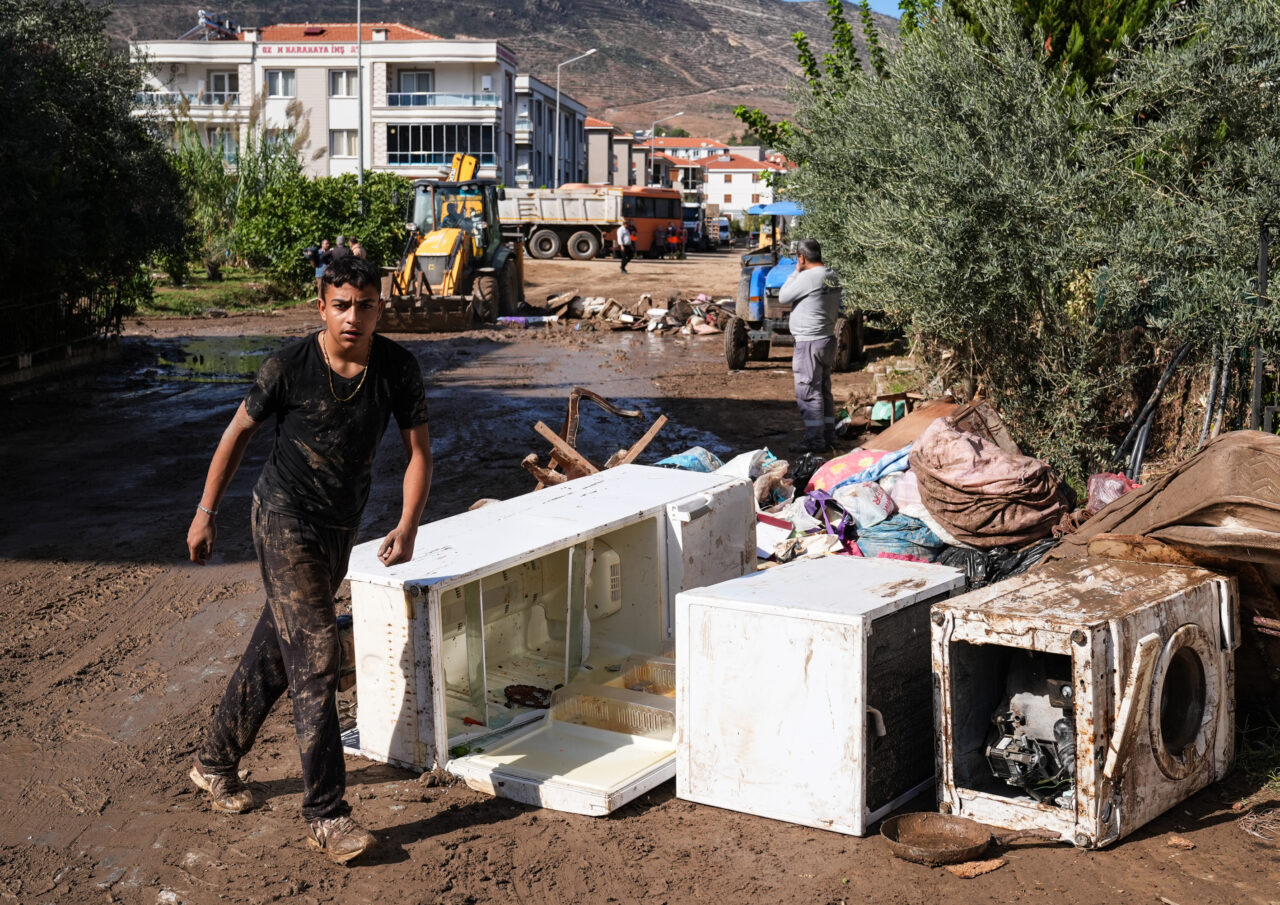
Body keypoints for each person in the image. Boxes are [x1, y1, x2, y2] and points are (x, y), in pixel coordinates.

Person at [185, 255, 432, 864]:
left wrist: (408, 525)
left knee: (279, 645)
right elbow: (236, 434)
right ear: (321, 307)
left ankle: (215, 761)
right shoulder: (288, 366)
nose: (353, 316)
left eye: (365, 305)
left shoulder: (398, 368)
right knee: (317, 653)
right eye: (341, 305)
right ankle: (327, 814)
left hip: (338, 528)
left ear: (381, 307)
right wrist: (207, 510)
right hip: (281, 517)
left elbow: (419, 451)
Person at [780, 238, 839, 454]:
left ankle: (815, 442)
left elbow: (783, 296)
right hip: (826, 340)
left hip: (809, 342)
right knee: (824, 391)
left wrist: (796, 272)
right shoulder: (832, 274)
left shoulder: (809, 277)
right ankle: (829, 436)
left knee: (808, 393)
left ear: (802, 257)